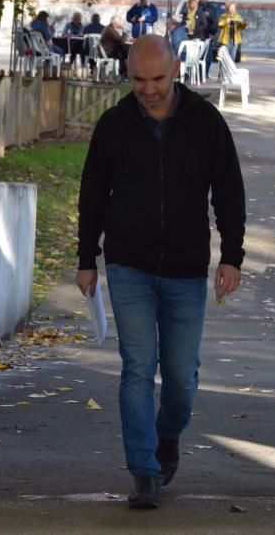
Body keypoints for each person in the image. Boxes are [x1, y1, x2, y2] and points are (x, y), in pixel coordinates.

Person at [76, 35, 246, 510]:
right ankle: (144, 472)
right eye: (138, 80)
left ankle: (167, 435)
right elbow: (93, 194)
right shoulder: (114, 124)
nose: (148, 89)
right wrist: (86, 258)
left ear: (176, 69)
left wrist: (232, 255)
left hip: (186, 269)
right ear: (126, 74)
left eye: (157, 79)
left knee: (181, 376)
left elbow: (229, 191)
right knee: (136, 370)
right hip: (128, 264)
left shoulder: (205, 122)